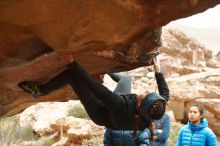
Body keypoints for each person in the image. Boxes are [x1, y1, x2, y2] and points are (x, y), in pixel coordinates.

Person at [18, 55, 169, 131]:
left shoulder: (120, 106)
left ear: (139, 103)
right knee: (125, 79)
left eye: (146, 94)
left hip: (101, 113)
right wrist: (158, 71)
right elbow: (164, 93)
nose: (147, 92)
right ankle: (108, 70)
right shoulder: (155, 108)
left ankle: (40, 91)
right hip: (123, 106)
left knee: (72, 76)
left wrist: (72, 63)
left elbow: (95, 88)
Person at [104, 72, 151, 146]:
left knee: (126, 79)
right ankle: (108, 71)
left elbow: (144, 142)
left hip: (114, 102)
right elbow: (107, 142)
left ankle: (108, 71)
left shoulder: (138, 122)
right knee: (126, 79)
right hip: (115, 102)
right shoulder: (113, 122)